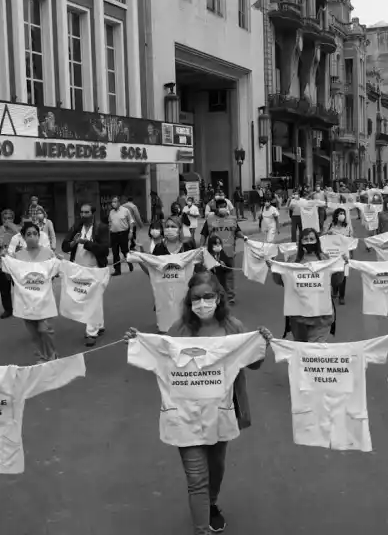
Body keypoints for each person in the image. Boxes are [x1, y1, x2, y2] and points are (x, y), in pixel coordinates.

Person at [123, 272, 273, 535]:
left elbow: (254, 363)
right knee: (196, 478)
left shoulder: (233, 327)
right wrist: (139, 343)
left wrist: (262, 342)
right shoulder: (178, 330)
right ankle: (201, 529)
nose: (202, 302)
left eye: (208, 296)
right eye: (196, 298)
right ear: (188, 301)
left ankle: (211, 503)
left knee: (216, 467)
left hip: (222, 411)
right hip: (185, 415)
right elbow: (160, 358)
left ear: (218, 298)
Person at [269, 228, 345, 342]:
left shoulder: (325, 259)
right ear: (300, 242)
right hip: (299, 318)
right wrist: (274, 269)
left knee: (315, 352)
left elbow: (336, 281)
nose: (309, 242)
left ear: (317, 241)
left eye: (311, 239)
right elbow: (281, 281)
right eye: (305, 239)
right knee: (302, 352)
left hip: (321, 317)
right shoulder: (293, 260)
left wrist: (341, 266)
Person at [61, 204, 111, 347]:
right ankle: (99, 324)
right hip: (78, 269)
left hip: (95, 269)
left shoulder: (101, 228)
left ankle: (91, 332)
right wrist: (74, 242)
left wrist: (87, 243)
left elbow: (104, 250)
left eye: (87, 212)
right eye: (82, 212)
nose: (84, 215)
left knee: (92, 300)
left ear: (92, 213)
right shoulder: (76, 227)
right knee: (93, 299)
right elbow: (65, 246)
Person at [10, 222, 59, 362]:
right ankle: (41, 356)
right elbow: (10, 274)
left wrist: (59, 262)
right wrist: (4, 258)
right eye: (29, 234)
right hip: (26, 301)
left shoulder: (48, 253)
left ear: (39, 235)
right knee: (34, 332)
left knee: (45, 329)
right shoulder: (17, 256)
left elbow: (54, 274)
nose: (32, 237)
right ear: (23, 237)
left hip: (44, 299)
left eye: (35, 234)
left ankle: (52, 354)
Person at [200, 199, 244, 305]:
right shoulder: (210, 219)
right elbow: (203, 234)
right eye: (221, 206)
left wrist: (244, 237)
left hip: (229, 252)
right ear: (216, 208)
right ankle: (217, 295)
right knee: (216, 275)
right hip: (214, 253)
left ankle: (230, 296)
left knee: (229, 275)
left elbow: (237, 231)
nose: (223, 208)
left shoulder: (232, 219)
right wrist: (201, 247)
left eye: (225, 206)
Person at [0, 209, 20, 319]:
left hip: (15, 263)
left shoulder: (18, 230)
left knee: (18, 287)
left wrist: (14, 229)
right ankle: (8, 309)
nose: (7, 220)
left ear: (13, 219)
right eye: (5, 218)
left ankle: (21, 308)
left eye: (9, 218)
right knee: (4, 288)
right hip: (1, 263)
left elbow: (24, 243)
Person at [107, 196, 134, 276]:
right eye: (112, 202)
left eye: (115, 202)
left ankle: (129, 262)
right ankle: (117, 270)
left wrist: (131, 232)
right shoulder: (111, 212)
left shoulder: (126, 211)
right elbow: (109, 222)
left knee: (125, 251)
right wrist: (109, 231)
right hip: (113, 234)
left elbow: (131, 221)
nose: (113, 203)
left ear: (119, 202)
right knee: (115, 252)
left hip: (123, 234)